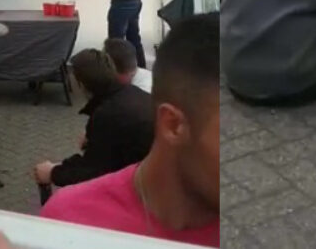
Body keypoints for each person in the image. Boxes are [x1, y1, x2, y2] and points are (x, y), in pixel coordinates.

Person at [40, 15, 219, 246]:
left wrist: (54, 172)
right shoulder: (70, 226)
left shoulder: (71, 219)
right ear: (173, 125)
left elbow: (93, 168)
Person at [33, 49, 154, 189]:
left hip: (145, 185)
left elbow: (93, 171)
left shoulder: (108, 113)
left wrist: (53, 172)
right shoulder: (131, 93)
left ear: (82, 84)